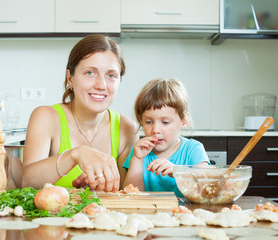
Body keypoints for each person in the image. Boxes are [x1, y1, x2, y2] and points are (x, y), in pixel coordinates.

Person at [22, 34, 138, 192]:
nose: (101, 85)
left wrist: (97, 187)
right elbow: (27, 183)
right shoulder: (46, 117)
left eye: (111, 75)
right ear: (70, 77)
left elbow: (125, 193)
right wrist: (75, 154)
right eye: (90, 73)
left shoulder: (127, 128)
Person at [123, 78, 209, 196]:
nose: (155, 130)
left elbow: (206, 187)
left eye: (165, 122)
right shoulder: (138, 152)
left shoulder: (193, 149)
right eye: (148, 122)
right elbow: (132, 195)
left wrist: (179, 172)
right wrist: (137, 160)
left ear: (183, 121)